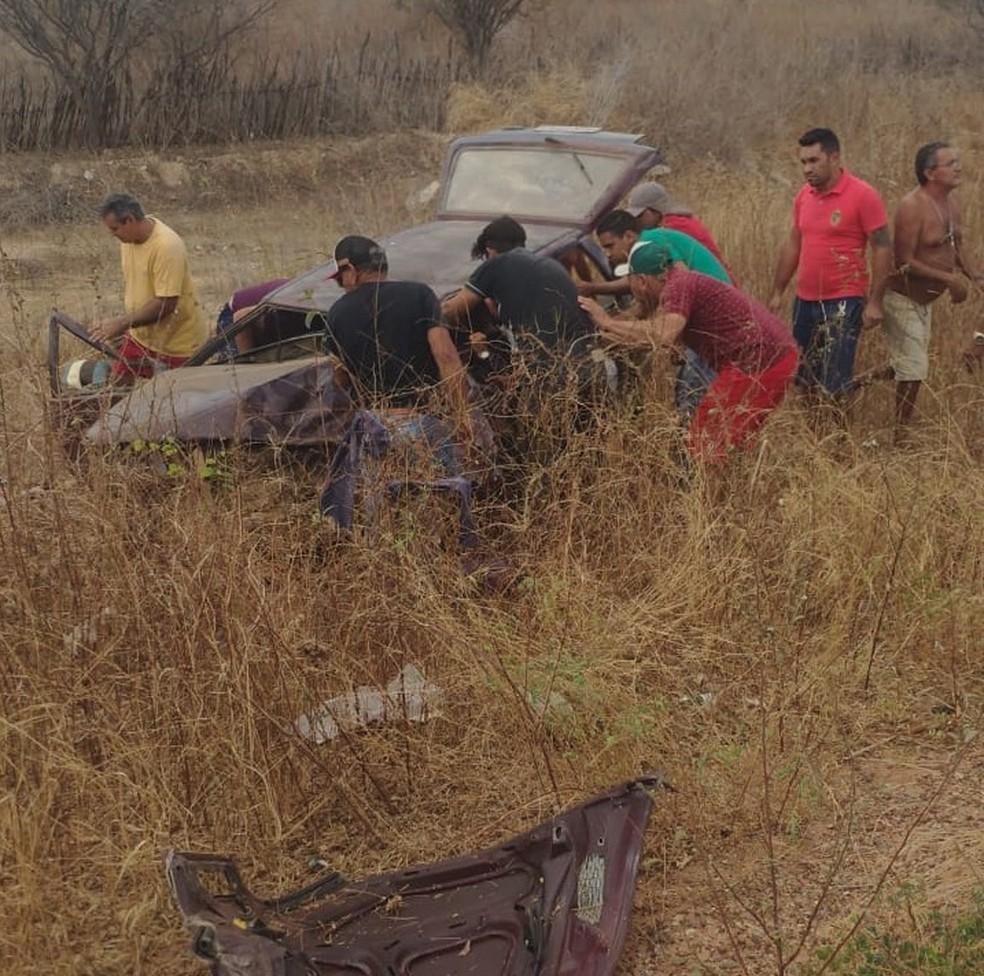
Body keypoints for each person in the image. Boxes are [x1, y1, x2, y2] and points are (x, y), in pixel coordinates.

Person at [579, 241, 799, 462]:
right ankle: (729, 488)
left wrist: (606, 321)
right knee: (725, 443)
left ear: (641, 281)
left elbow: (663, 333)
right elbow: (647, 329)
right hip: (769, 356)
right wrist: (605, 334)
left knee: (705, 444)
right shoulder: (676, 281)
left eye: (630, 282)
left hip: (760, 362)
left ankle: (708, 496)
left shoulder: (678, 286)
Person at [318, 236, 479, 532]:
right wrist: (463, 417)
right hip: (425, 423)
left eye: (341, 278)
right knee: (447, 511)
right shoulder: (419, 295)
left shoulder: (337, 313)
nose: (342, 285)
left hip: (375, 429)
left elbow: (338, 378)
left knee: (382, 522)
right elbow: (445, 356)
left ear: (350, 269)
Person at [866, 142, 984, 440]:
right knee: (915, 367)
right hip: (901, 297)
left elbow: (957, 246)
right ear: (930, 172)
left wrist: (974, 277)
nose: (959, 167)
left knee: (908, 362)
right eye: (951, 163)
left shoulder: (951, 203)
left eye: (958, 161)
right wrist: (949, 279)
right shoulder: (912, 206)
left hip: (925, 302)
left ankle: (853, 384)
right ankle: (900, 435)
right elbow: (903, 261)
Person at [768, 128, 892, 400]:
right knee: (804, 378)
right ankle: (812, 438)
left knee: (835, 382)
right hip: (805, 300)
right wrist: (778, 291)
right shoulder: (804, 196)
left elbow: (883, 246)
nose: (807, 169)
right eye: (803, 162)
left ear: (834, 157)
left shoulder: (863, 195)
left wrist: (875, 301)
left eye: (814, 161)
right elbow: (793, 243)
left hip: (843, 301)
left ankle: (839, 440)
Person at [585, 209, 725, 418]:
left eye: (610, 246)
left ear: (629, 237)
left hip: (712, 319)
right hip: (706, 315)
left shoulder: (651, 241)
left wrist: (596, 295)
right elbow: (646, 301)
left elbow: (680, 278)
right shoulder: (647, 255)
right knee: (690, 392)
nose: (607, 253)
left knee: (694, 395)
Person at [441, 215, 596, 362]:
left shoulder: (496, 264)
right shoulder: (547, 264)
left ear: (489, 249)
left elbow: (448, 311)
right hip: (588, 356)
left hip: (550, 366)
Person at [89, 193, 207, 382]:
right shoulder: (128, 240)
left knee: (173, 402)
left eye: (115, 229)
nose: (113, 234)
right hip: (140, 338)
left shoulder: (167, 246)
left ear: (130, 220)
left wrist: (121, 323)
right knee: (118, 391)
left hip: (177, 344)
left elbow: (166, 305)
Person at [625, 181, 731, 271]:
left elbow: (679, 271)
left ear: (655, 210)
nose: (636, 221)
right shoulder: (681, 220)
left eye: (639, 215)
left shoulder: (674, 226)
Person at [216, 277, 290, 357]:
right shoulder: (282, 304)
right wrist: (247, 360)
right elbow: (241, 316)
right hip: (235, 316)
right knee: (235, 364)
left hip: (263, 319)